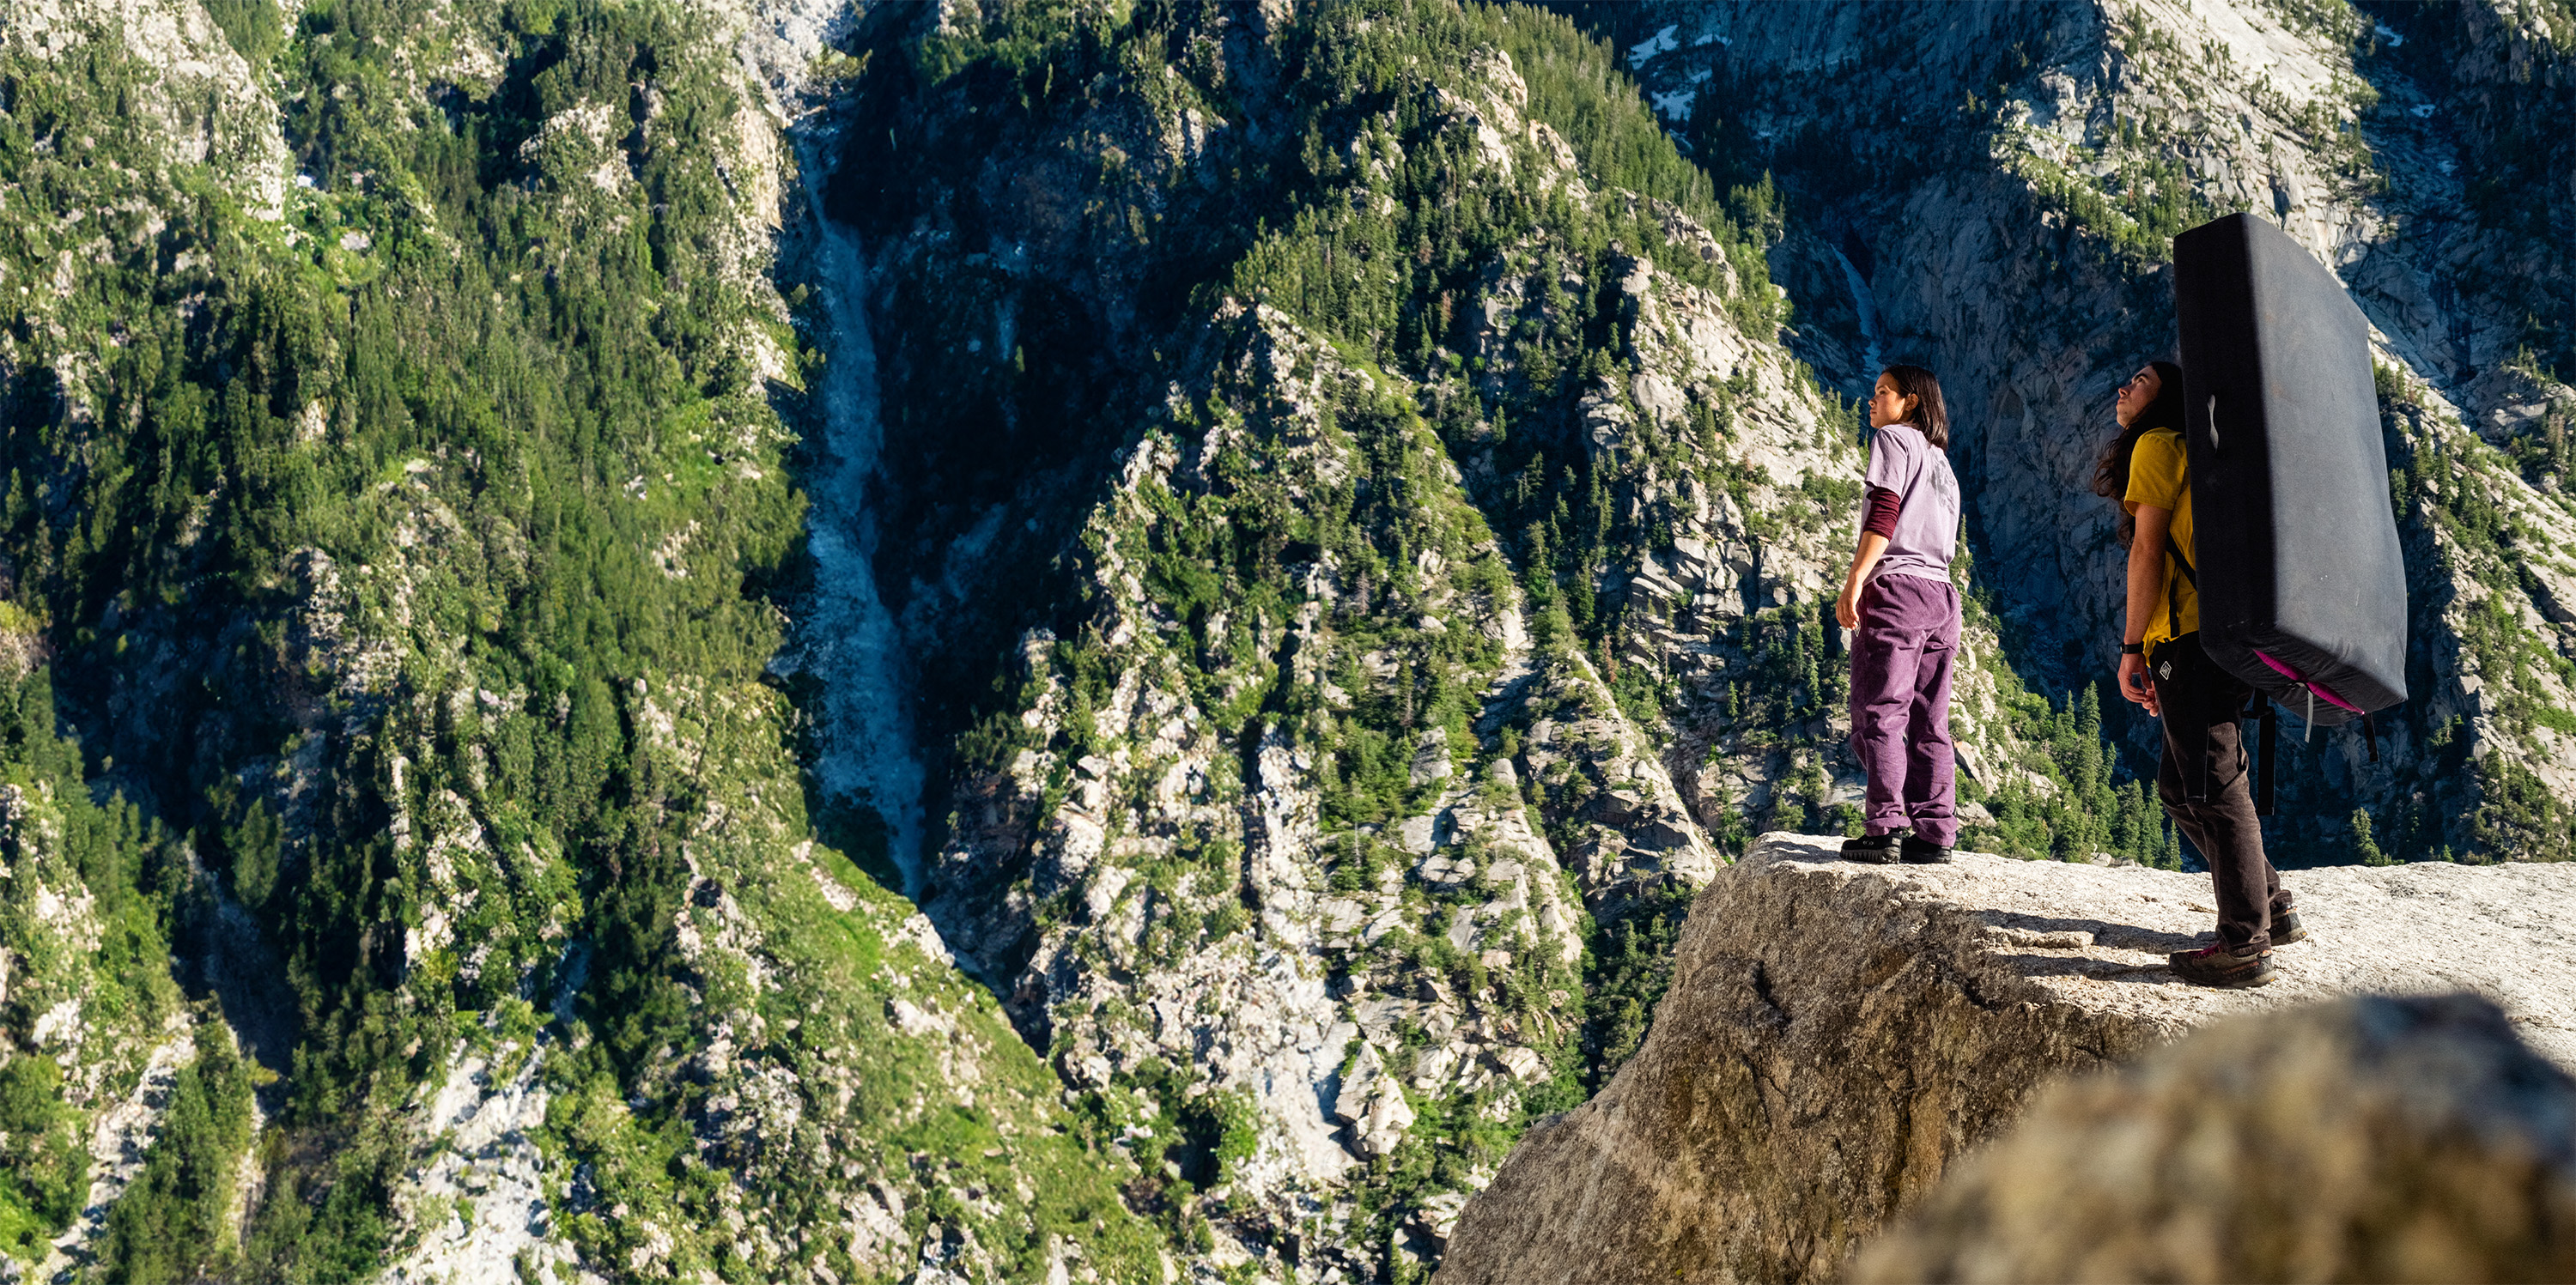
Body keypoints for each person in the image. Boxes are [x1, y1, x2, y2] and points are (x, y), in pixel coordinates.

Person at [2098, 360, 2305, 989]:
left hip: (2185, 637)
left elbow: (2147, 550)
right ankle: (2270, 904)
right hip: (2213, 638)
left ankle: (2244, 941)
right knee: (2176, 783)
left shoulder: (2159, 445)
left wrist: (2133, 645)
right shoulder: (2190, 450)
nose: (2124, 386)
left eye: (2141, 381)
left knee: (2214, 783)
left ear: (2167, 402)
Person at [1835, 364, 1961, 864]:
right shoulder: (1942, 464)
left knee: (1880, 712)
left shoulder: (1894, 440)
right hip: (1942, 595)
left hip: (1898, 590)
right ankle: (1934, 833)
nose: (1873, 401)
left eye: (1882, 392)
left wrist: (1856, 579)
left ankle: (1885, 826)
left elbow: (1884, 512)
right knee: (1931, 719)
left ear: (1909, 402)